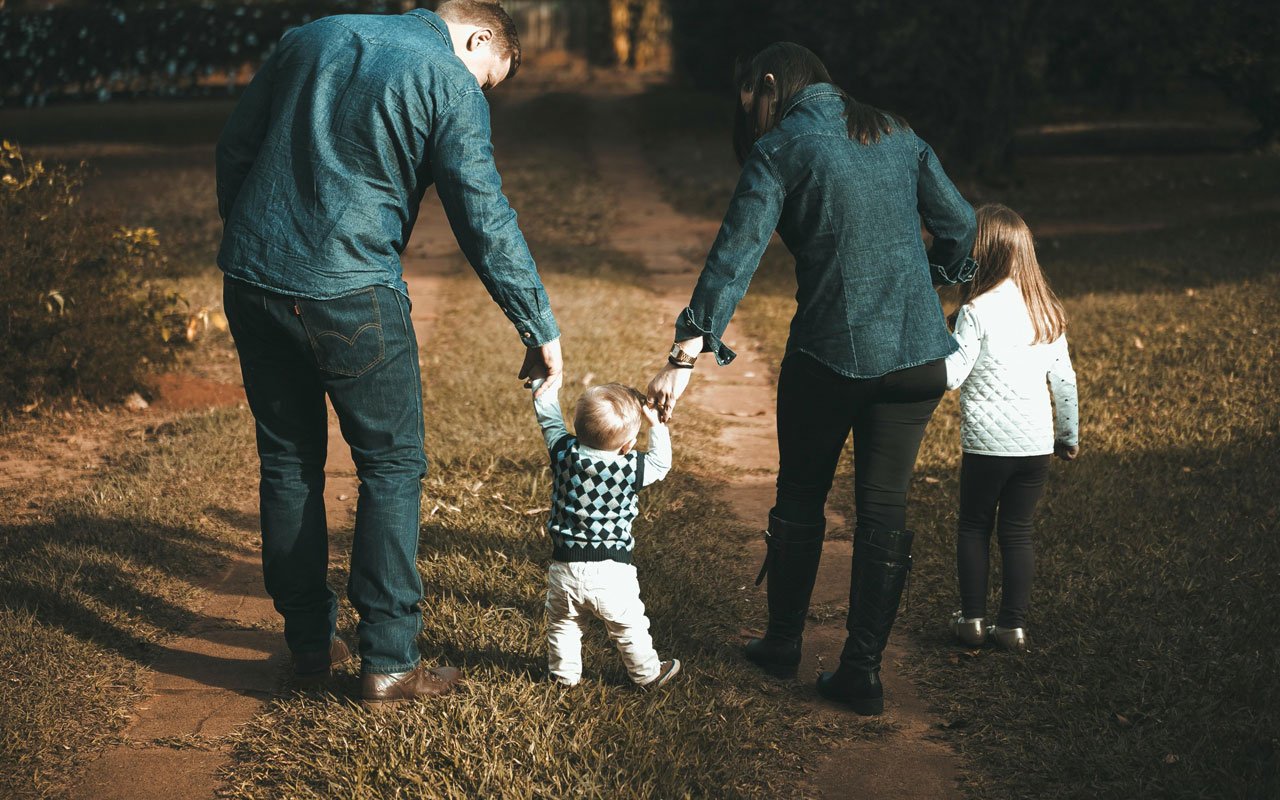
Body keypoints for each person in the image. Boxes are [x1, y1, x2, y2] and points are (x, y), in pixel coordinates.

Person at [215, 1, 563, 707]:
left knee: (287, 461)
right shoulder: (448, 78)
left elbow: (235, 148)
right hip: (351, 292)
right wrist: (536, 323)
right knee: (392, 466)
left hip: (252, 281)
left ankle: (310, 645)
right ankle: (391, 660)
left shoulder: (309, 37)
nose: (480, 91)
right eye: (488, 78)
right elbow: (483, 214)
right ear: (479, 35)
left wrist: (259, 247)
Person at [647, 42, 976, 715]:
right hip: (917, 360)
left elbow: (731, 262)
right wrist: (933, 278)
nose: (755, 117)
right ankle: (862, 672)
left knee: (801, 496)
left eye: (753, 102)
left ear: (771, 85)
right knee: (885, 509)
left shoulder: (782, 149)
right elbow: (962, 226)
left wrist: (683, 361)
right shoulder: (897, 131)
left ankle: (781, 644)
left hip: (829, 359)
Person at [944, 204, 1080, 653]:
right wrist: (1068, 436)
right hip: (1035, 446)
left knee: (974, 527)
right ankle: (1013, 628)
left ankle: (972, 622)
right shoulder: (1046, 312)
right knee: (1018, 532)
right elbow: (1063, 380)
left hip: (986, 448)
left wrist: (934, 346)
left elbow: (952, 376)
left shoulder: (976, 311)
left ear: (980, 253)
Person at [531, 379, 680, 688]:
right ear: (626, 446)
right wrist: (656, 425)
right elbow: (661, 463)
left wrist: (542, 383)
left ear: (578, 428)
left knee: (564, 625)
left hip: (564, 568)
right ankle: (648, 674)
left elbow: (548, 420)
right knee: (629, 627)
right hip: (612, 572)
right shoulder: (631, 468)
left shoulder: (563, 453)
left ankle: (563, 677)